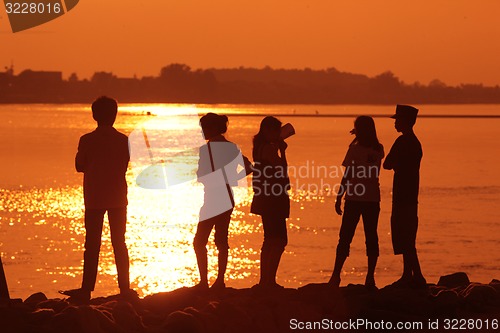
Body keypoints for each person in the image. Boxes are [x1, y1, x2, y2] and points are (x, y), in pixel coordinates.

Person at [60, 96, 134, 302]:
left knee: (92, 244)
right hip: (118, 196)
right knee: (119, 242)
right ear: (115, 115)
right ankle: (125, 289)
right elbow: (124, 164)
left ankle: (86, 289)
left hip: (94, 198)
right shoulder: (124, 140)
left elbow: (79, 166)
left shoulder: (86, 140)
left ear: (94, 115)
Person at [194, 113, 252, 290]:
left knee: (199, 242)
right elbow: (249, 167)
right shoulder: (232, 147)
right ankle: (219, 280)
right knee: (221, 240)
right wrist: (232, 177)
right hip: (226, 195)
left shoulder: (207, 149)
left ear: (211, 128)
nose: (202, 132)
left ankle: (204, 282)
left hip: (212, 196)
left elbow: (201, 174)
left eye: (204, 128)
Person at [329, 116, 384, 289]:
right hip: (372, 198)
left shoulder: (354, 149)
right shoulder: (379, 149)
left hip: (354, 197)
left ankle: (336, 276)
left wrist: (339, 196)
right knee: (371, 237)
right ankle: (370, 277)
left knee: (345, 237)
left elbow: (348, 174)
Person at [383, 104, 426, 288]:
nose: (395, 124)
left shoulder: (402, 142)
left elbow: (386, 164)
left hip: (402, 196)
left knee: (405, 238)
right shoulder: (416, 143)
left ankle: (416, 277)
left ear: (406, 122)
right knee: (408, 238)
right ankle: (409, 274)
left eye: (398, 120)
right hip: (410, 196)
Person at [251, 116, 290, 289]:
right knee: (279, 239)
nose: (277, 134)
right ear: (268, 130)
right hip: (273, 197)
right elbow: (282, 170)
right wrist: (283, 152)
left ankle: (265, 280)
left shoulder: (260, 147)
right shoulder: (268, 149)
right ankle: (269, 280)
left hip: (266, 196)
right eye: (276, 131)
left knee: (270, 239)